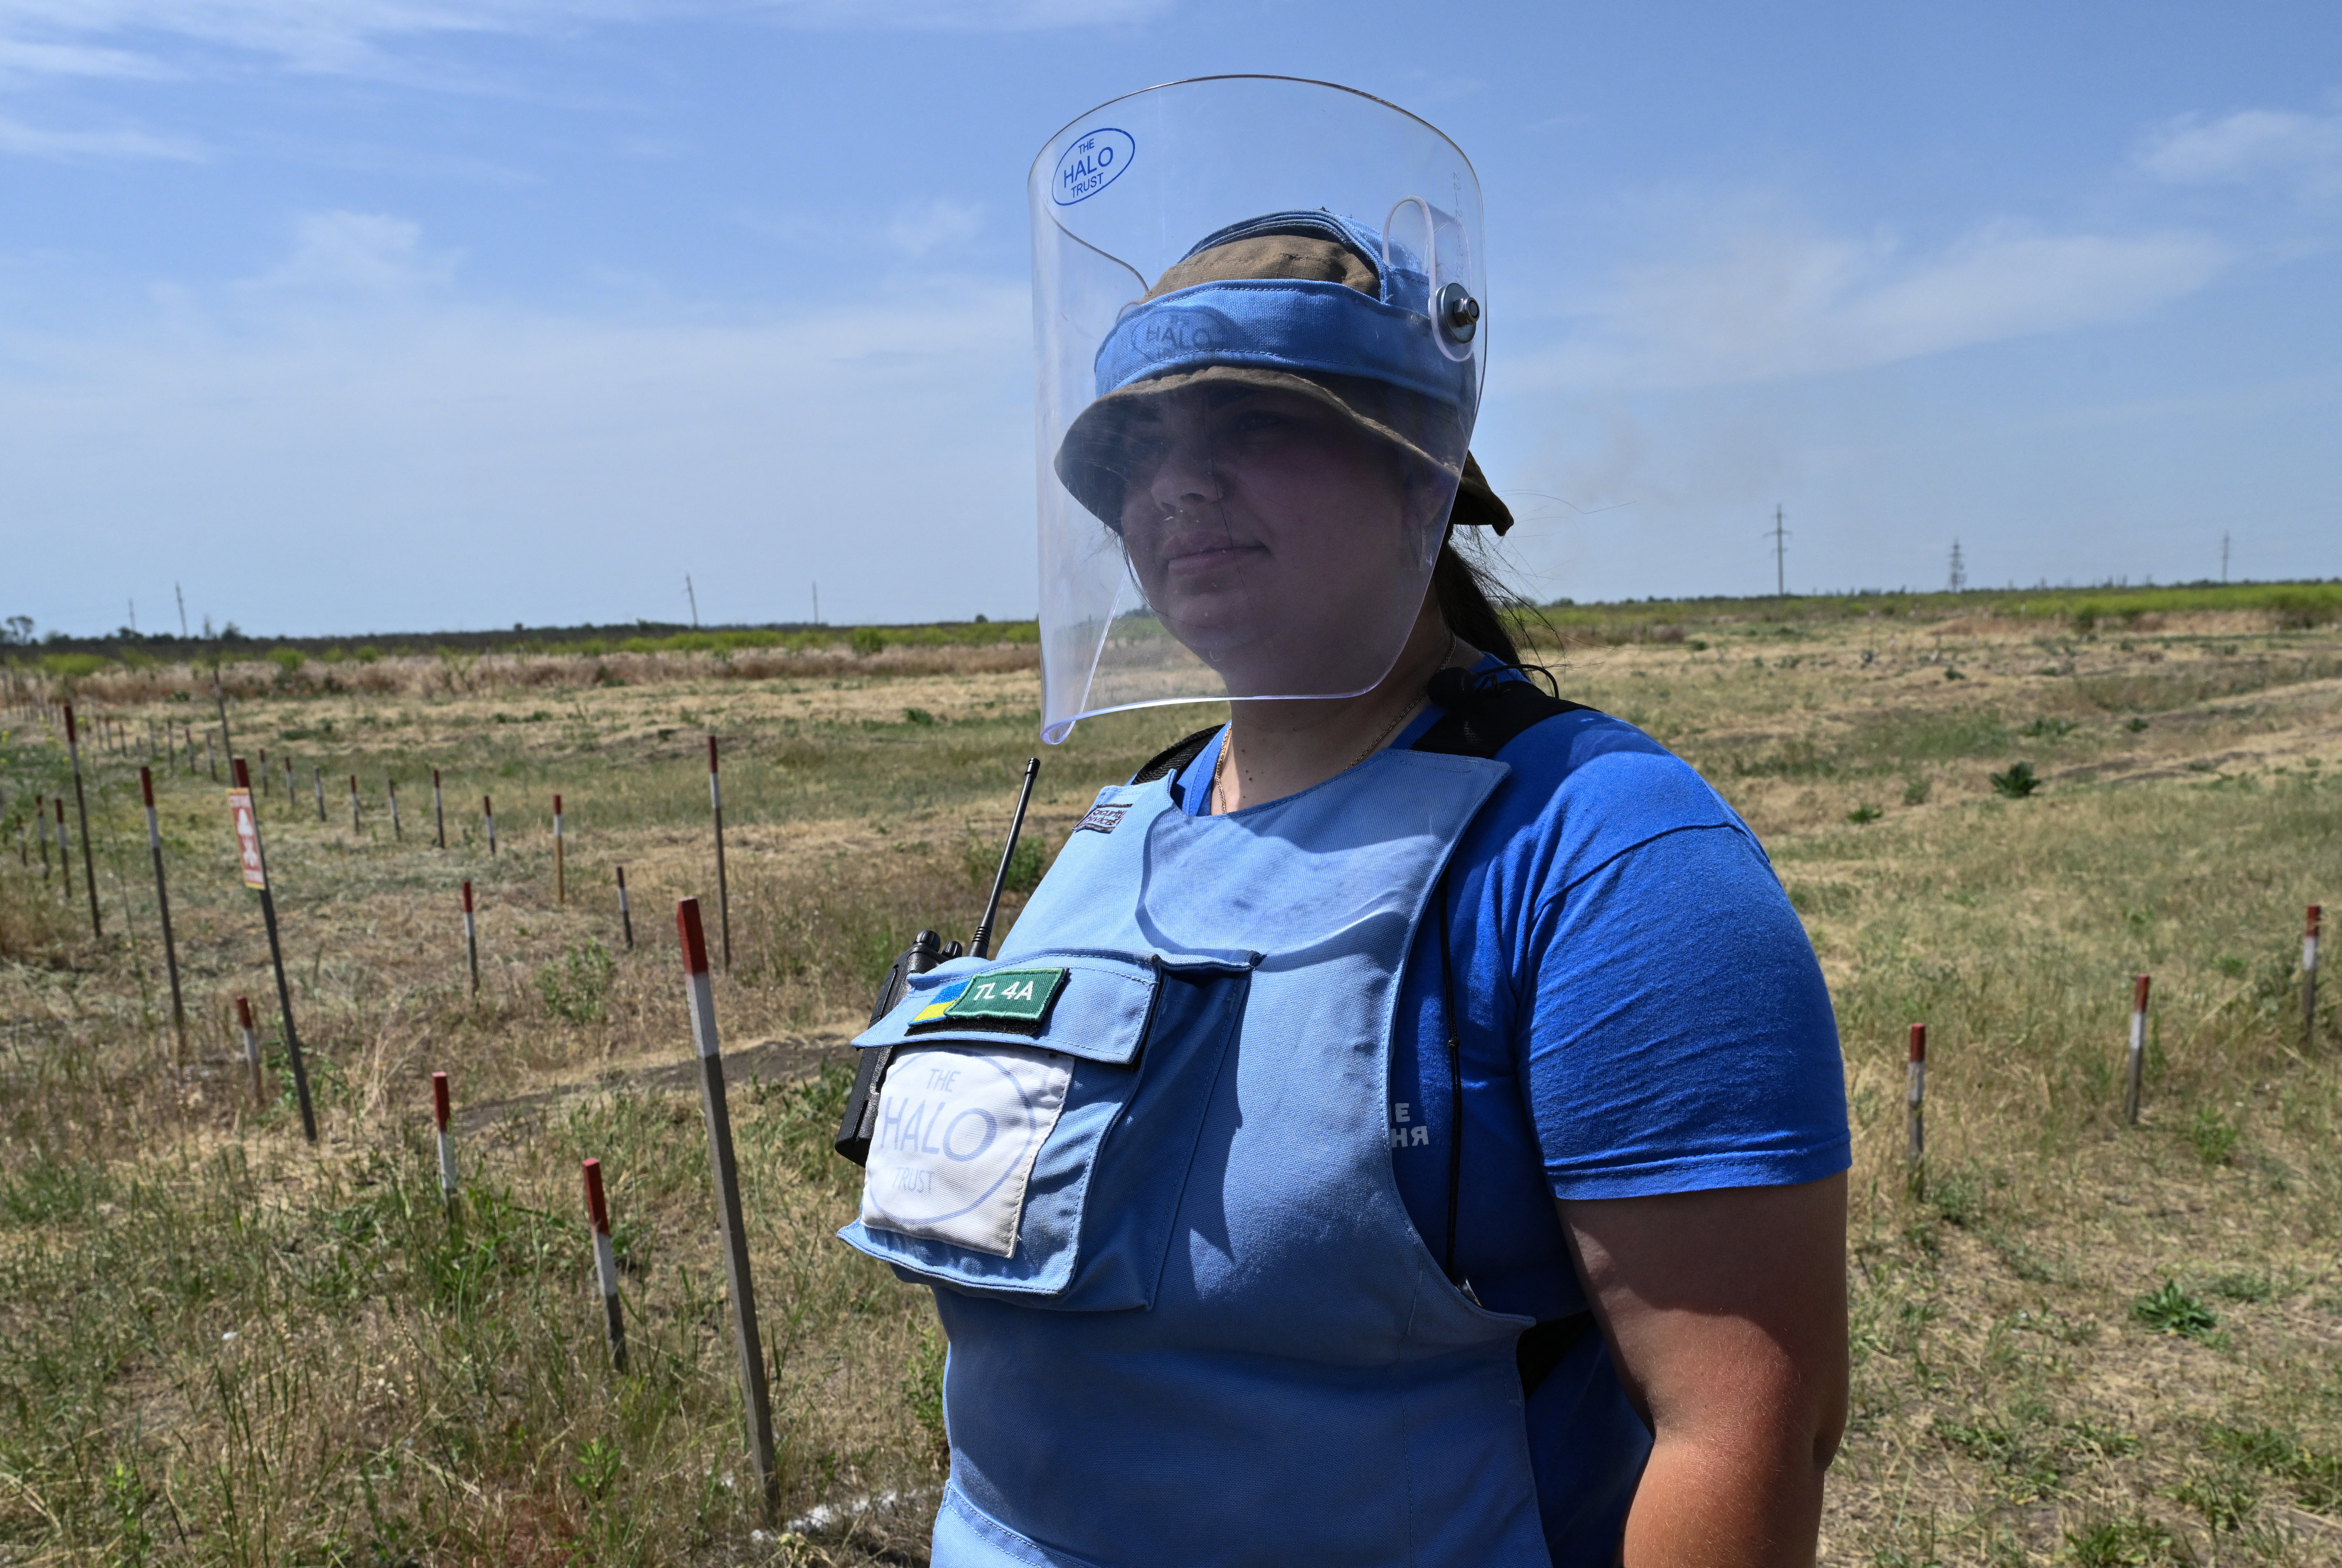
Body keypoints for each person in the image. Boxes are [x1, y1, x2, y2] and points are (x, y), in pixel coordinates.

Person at [839, 77, 1848, 1568]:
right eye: (1136, 451)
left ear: (1423, 474)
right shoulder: (1119, 834)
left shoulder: (1606, 861)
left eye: (1252, 419)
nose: (1176, 482)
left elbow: (1744, 1430)